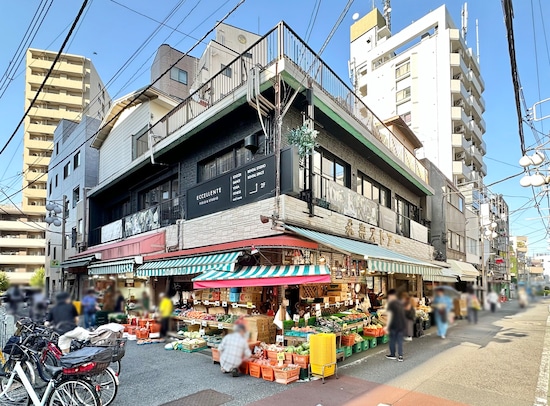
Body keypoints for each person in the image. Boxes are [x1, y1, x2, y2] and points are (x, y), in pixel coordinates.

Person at [385, 289, 406, 362]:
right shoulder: (400, 303)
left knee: (392, 340)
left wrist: (387, 326)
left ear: (391, 295)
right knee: (400, 341)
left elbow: (390, 316)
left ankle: (392, 354)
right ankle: (400, 356)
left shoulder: (391, 304)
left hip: (394, 325)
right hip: (401, 324)